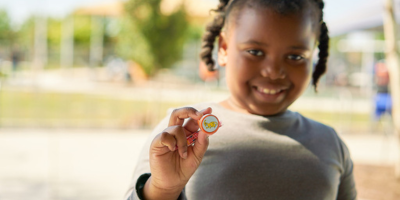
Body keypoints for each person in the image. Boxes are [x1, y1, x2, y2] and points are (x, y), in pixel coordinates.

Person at [126, 0, 357, 199]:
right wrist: (162, 189)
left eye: (295, 56)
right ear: (224, 48)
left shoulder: (330, 143)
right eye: (255, 52)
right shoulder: (182, 132)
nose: (274, 71)